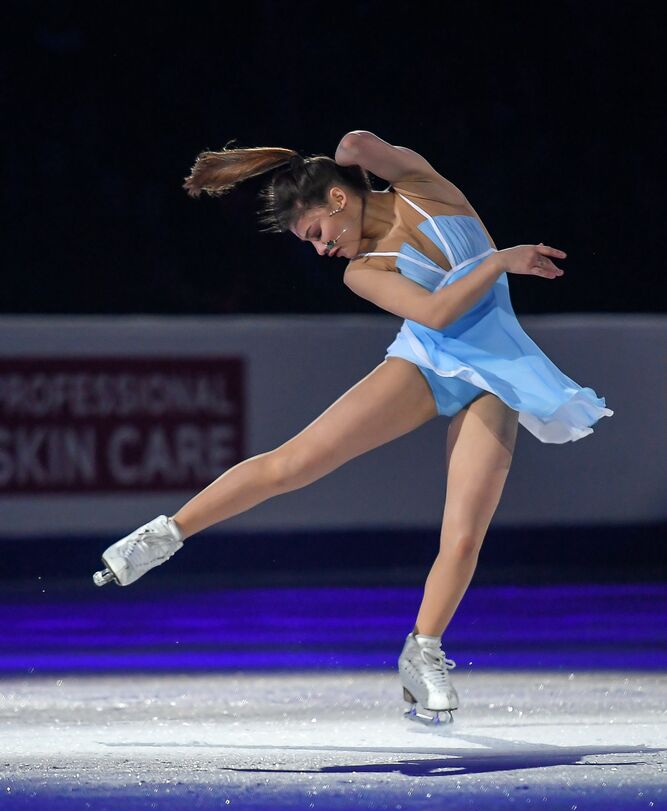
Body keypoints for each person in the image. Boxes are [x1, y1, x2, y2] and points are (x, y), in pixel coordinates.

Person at [93, 131, 613, 724]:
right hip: (429, 362)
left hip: (499, 374)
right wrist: (497, 260)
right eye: (311, 243)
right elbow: (438, 312)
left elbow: (356, 144)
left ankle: (422, 651)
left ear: (338, 199)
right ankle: (163, 536)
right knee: (295, 464)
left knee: (465, 534)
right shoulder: (362, 271)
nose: (320, 250)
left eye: (317, 232)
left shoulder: (425, 188)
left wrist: (313, 161)